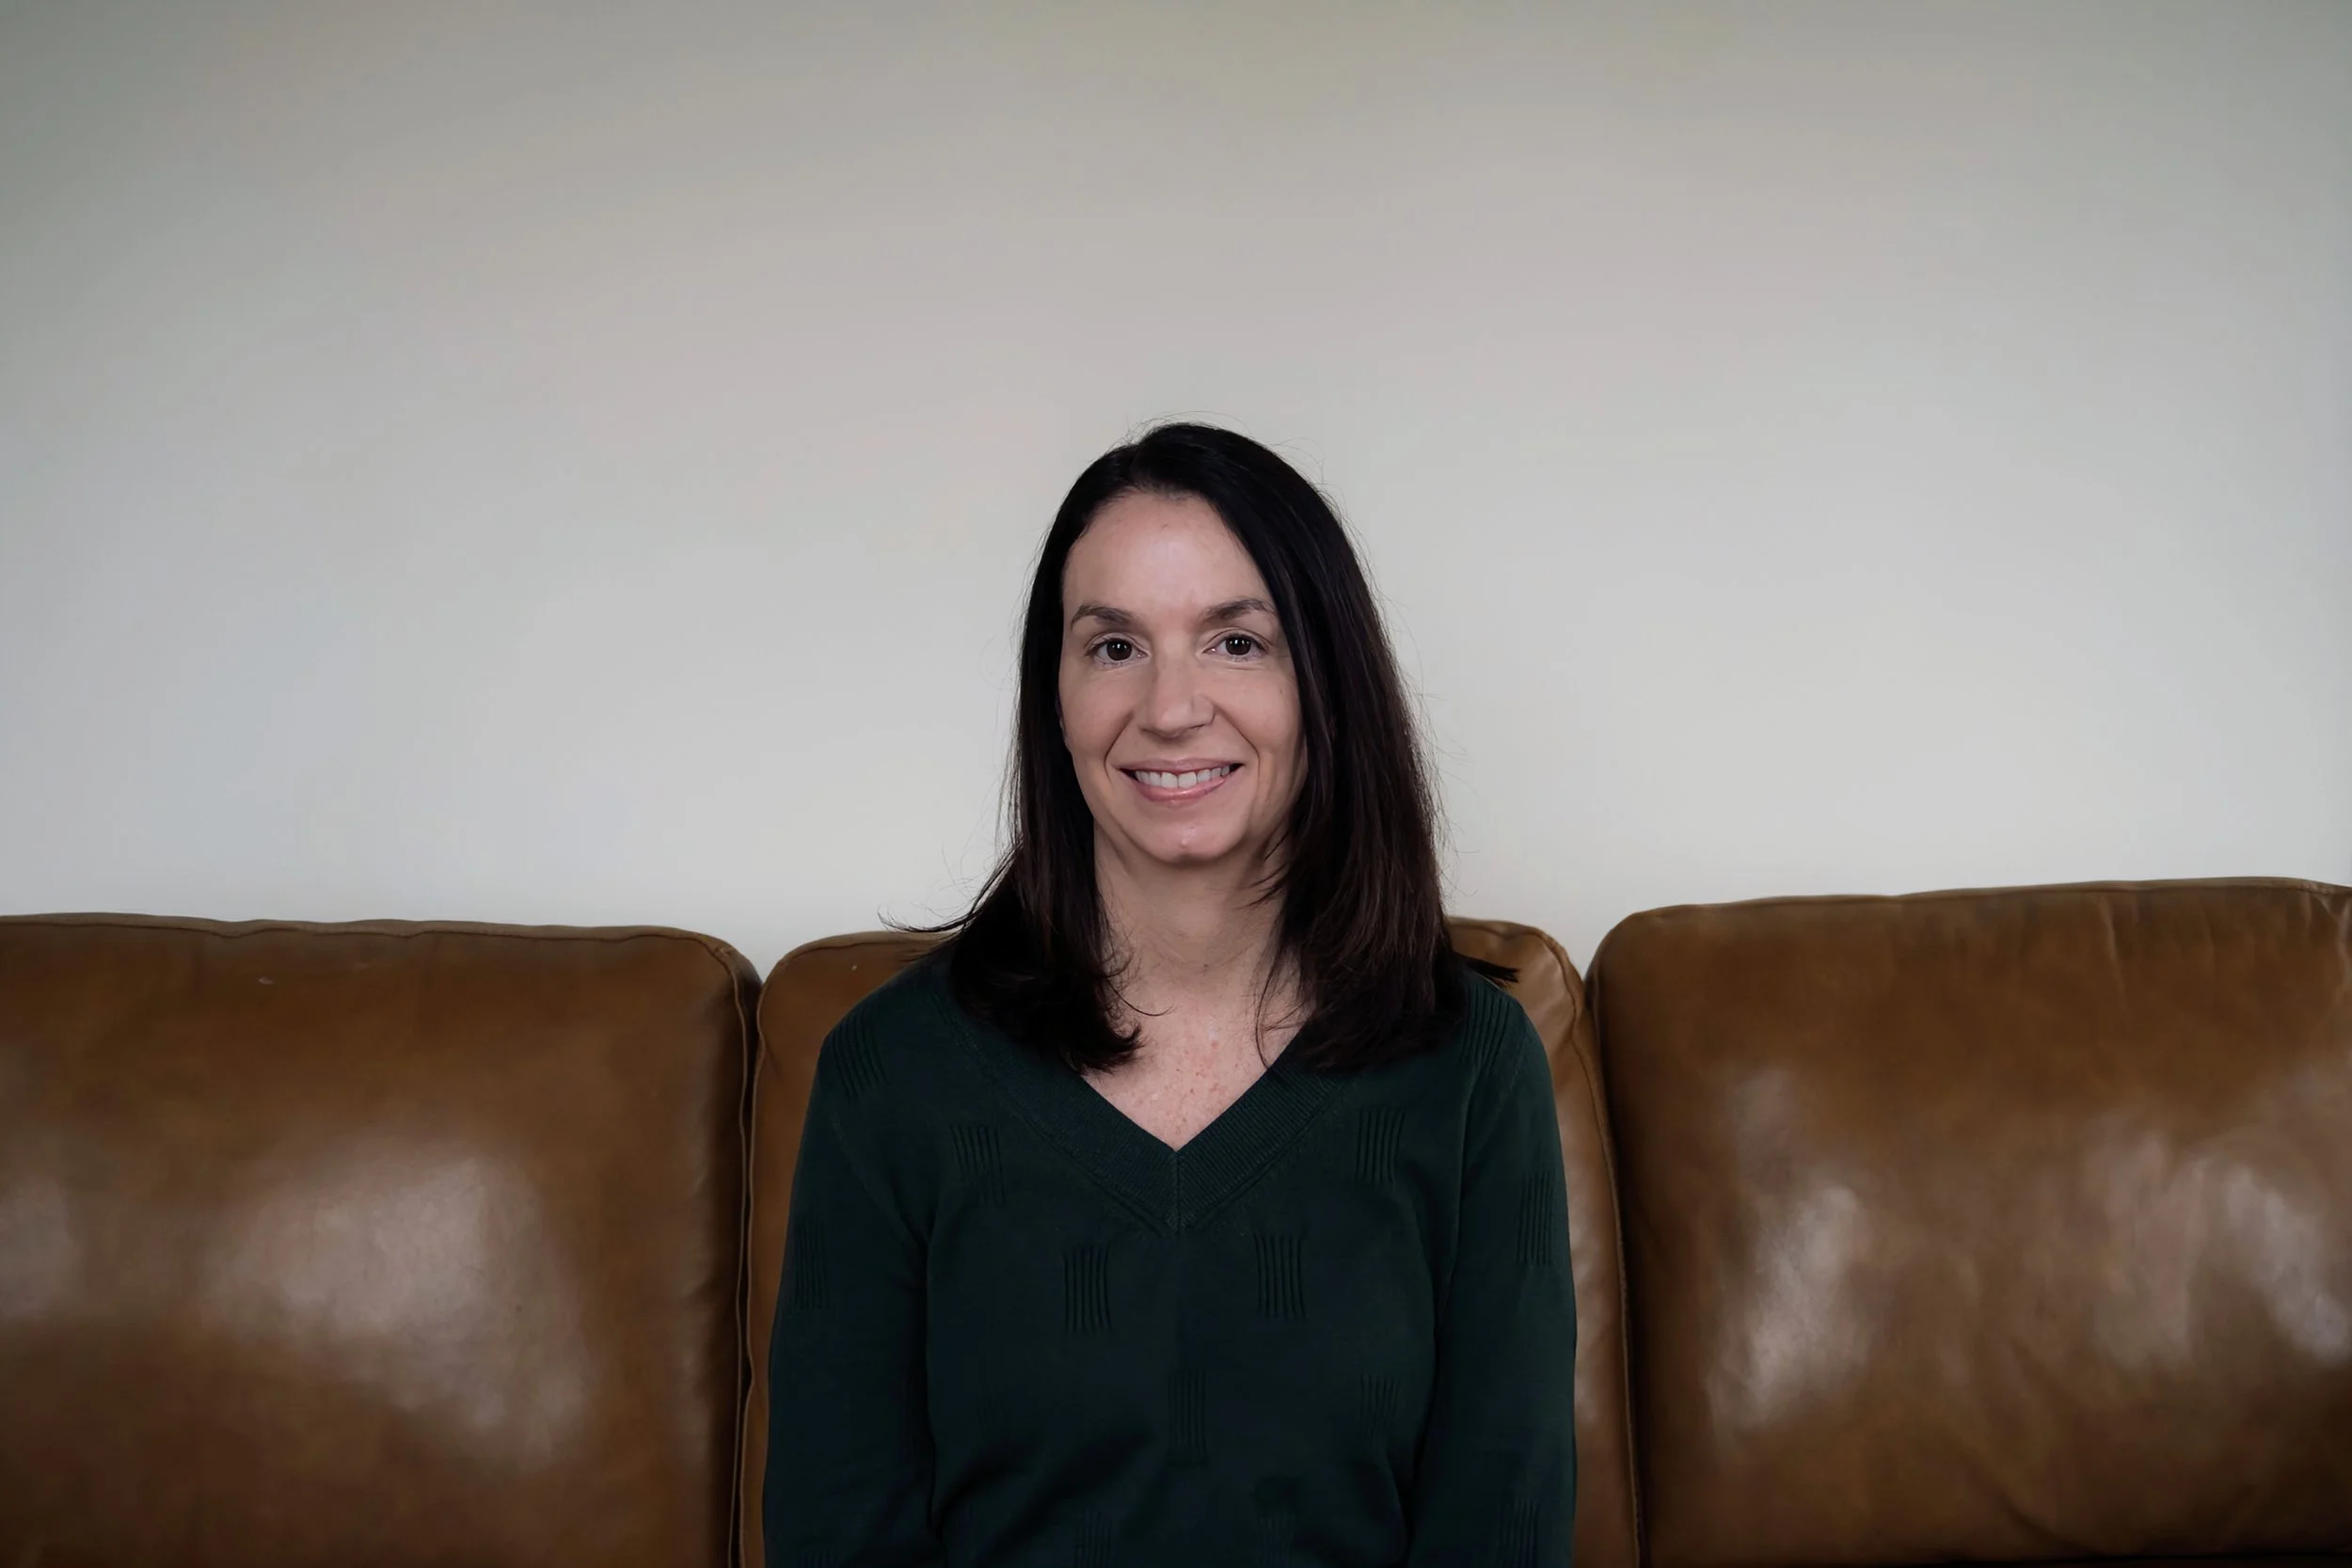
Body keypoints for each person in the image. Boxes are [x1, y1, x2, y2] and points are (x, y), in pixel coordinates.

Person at [765, 423, 1575, 1566]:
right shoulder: (888, 1075)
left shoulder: (1475, 1068)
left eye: (1237, 641)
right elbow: (837, 1531)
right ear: (1054, 696)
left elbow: (1501, 1528)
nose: (1171, 705)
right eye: (1113, 648)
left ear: (1324, 685)